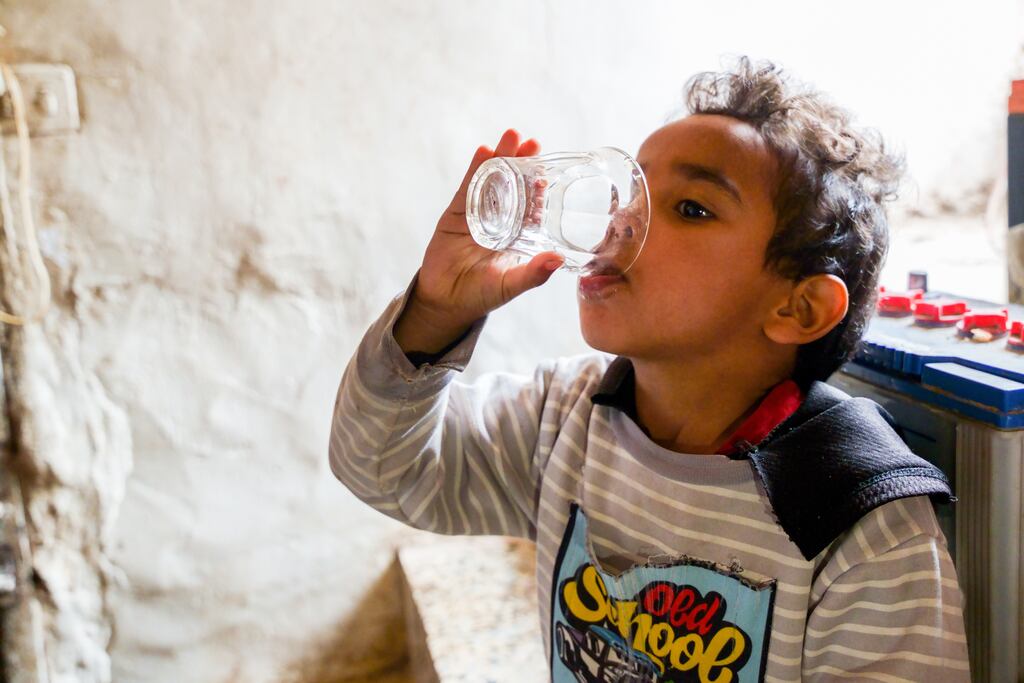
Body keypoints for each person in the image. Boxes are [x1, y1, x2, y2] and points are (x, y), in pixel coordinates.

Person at [329, 56, 970, 681]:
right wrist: (436, 312)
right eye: (626, 200)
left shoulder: (859, 521)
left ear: (798, 308)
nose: (619, 226)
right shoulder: (566, 416)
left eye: (690, 208)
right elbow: (386, 468)